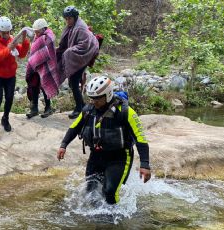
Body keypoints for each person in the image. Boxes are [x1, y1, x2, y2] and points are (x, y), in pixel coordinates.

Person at [57, 76, 151, 204]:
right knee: (90, 192)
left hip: (119, 157)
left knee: (110, 192)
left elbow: (140, 138)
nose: (93, 102)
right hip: (96, 156)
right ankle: (96, 219)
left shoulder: (125, 112)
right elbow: (74, 127)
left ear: (108, 95)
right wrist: (63, 145)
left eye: (97, 99)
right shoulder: (88, 110)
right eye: (91, 98)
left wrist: (145, 164)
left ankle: (114, 220)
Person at [0, 16, 30, 139]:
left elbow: (21, 54)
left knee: (10, 97)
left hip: (10, 74)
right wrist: (8, 48)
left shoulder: (12, 39)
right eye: (4, 32)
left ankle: (5, 118)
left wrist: (24, 41)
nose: (6, 35)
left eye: (8, 32)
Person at [56, 6, 99, 119]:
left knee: (74, 82)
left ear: (75, 18)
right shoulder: (71, 26)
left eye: (69, 18)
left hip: (85, 54)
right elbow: (64, 43)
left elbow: (84, 45)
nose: (67, 21)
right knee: (73, 83)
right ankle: (82, 106)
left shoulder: (80, 28)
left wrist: (68, 52)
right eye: (66, 19)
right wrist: (58, 51)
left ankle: (79, 109)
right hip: (79, 55)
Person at [25, 18, 60, 119]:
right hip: (36, 65)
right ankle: (34, 109)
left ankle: (48, 108)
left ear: (43, 29)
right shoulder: (39, 37)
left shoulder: (48, 37)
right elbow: (35, 50)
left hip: (46, 65)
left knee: (45, 84)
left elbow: (47, 52)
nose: (36, 33)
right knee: (34, 84)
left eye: (37, 31)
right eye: (35, 31)